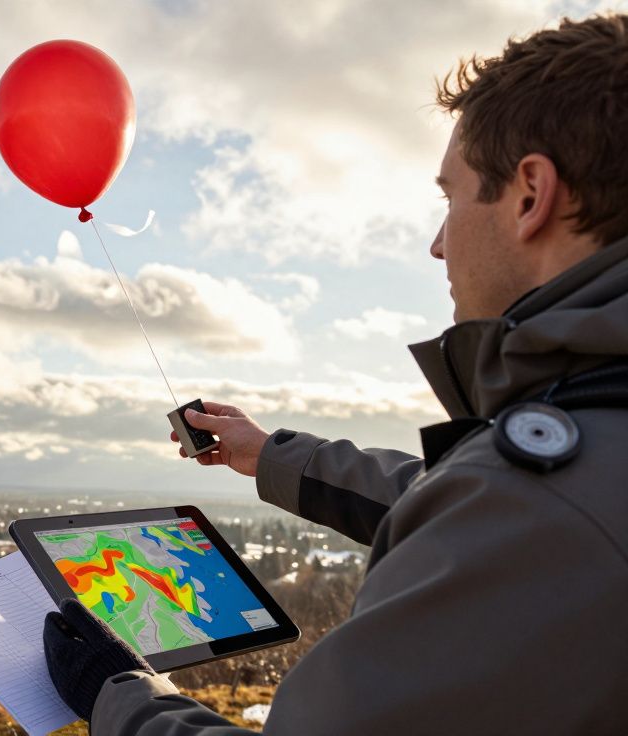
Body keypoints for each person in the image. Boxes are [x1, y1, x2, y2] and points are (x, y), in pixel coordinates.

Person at [43, 13, 628, 735]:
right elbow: (455, 504)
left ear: (531, 195)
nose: (438, 244)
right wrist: (271, 454)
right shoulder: (590, 438)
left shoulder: (549, 504)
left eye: (451, 198)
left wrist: (118, 694)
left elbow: (518, 514)